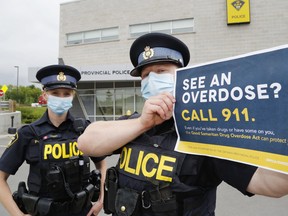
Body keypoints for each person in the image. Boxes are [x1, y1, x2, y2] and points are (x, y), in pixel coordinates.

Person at [77, 33, 288, 216]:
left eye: (161, 71)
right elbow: (87, 142)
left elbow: (273, 183)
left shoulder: (205, 130)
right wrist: (143, 123)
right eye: (145, 76)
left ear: (183, 76)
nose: (151, 80)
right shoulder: (133, 125)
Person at [0, 64, 107, 216]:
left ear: (73, 95)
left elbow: (102, 164)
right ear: (44, 95)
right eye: (55, 93)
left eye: (66, 93)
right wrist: (18, 215)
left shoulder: (84, 129)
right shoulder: (28, 133)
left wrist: (101, 200)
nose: (61, 98)